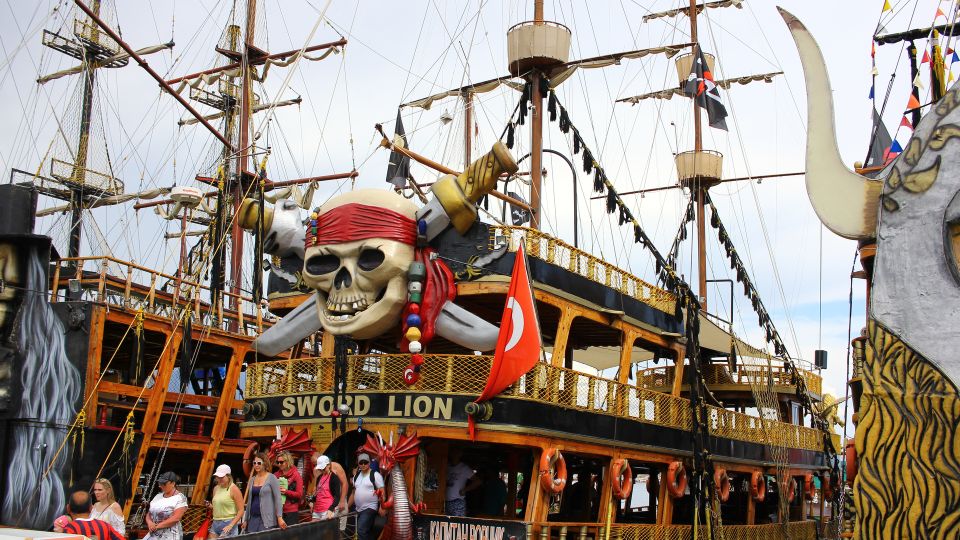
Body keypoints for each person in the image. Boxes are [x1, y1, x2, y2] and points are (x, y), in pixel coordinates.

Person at [242, 452, 285, 533]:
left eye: (259, 463)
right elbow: (250, 501)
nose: (256, 465)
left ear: (264, 463)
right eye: (254, 463)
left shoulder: (272, 478)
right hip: (253, 518)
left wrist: (279, 517)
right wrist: (246, 519)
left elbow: (278, 499)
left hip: (266, 519)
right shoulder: (252, 479)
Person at [348, 453, 384, 540]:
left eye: (365, 462)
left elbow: (383, 492)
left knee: (361, 530)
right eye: (361, 462)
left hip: (370, 507)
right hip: (358, 509)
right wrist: (347, 506)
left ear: (369, 463)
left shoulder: (375, 475)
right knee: (360, 531)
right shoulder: (356, 476)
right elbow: (353, 493)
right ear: (358, 464)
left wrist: (382, 507)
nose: (363, 464)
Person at [145, 472, 188, 540]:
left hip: (170, 535)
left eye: (163, 483)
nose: (160, 486)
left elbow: (176, 518)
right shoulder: (157, 496)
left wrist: (157, 526)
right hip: (153, 533)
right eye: (160, 483)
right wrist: (150, 523)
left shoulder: (180, 498)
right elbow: (149, 513)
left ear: (173, 483)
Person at [208, 464, 244, 539]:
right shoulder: (216, 488)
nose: (219, 479)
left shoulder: (234, 489)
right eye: (218, 477)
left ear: (228, 476)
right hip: (215, 522)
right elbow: (217, 507)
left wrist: (231, 525)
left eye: (222, 477)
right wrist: (210, 506)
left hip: (229, 522)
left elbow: (241, 510)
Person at [445, 449, 480, 517]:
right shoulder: (447, 466)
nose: (454, 454)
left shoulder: (464, 468)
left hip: (458, 502)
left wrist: (465, 490)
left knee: (457, 523)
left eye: (456, 453)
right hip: (445, 502)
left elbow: (478, 481)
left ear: (460, 454)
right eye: (452, 452)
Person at [275, 451, 303, 526]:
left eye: (281, 462)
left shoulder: (296, 475)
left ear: (288, 461)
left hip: (291, 511)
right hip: (278, 511)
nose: (279, 464)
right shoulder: (276, 475)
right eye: (277, 462)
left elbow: (299, 494)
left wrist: (286, 492)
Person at [311, 456, 342, 521]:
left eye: (323, 468)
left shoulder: (334, 478)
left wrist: (331, 509)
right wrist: (312, 501)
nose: (321, 470)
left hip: (327, 509)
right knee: (314, 527)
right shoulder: (319, 477)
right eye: (320, 469)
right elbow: (318, 492)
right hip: (317, 510)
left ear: (328, 465)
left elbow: (337, 496)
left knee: (325, 527)